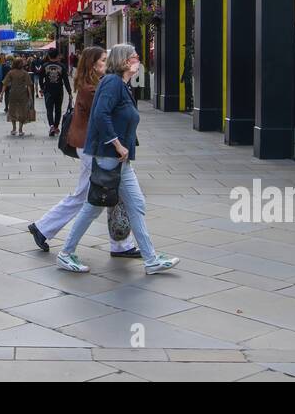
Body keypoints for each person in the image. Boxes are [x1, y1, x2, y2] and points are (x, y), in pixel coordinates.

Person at [55, 43, 180, 275]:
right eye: (135, 57)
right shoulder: (113, 83)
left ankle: (151, 259)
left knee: (136, 204)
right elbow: (100, 114)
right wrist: (117, 143)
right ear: (124, 61)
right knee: (93, 207)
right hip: (109, 156)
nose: (138, 60)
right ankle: (65, 253)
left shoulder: (122, 84)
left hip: (119, 159)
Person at [27, 47, 138, 257]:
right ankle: (43, 228)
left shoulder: (97, 84)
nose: (107, 64)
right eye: (104, 61)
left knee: (110, 194)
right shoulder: (91, 88)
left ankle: (121, 243)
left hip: (96, 146)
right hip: (92, 147)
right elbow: (109, 114)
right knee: (86, 195)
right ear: (93, 64)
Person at [40, 47, 73, 137]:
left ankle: (51, 126)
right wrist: (69, 92)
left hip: (48, 90)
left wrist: (42, 88)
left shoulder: (44, 66)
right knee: (58, 109)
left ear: (48, 55)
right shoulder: (62, 66)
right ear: (57, 55)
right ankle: (56, 126)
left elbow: (40, 78)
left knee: (49, 109)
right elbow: (66, 80)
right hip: (59, 90)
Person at [1, 56, 36, 137]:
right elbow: (28, 85)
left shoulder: (11, 72)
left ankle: (14, 129)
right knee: (22, 111)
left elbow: (5, 84)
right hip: (23, 94)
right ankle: (20, 129)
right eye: (21, 62)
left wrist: (2, 94)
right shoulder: (25, 73)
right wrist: (30, 96)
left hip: (12, 93)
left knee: (12, 110)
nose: (23, 63)